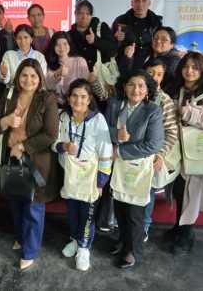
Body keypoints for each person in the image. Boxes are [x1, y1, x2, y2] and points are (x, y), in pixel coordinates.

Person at [0, 59, 60, 270]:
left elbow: (51, 134)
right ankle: (21, 238)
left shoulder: (47, 98)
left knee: (33, 207)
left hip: (35, 161)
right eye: (24, 75)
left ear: (40, 78)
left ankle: (30, 250)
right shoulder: (9, 94)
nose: (28, 80)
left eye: (33, 76)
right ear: (18, 76)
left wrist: (22, 146)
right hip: (11, 158)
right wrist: (6, 121)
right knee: (15, 203)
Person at [164, 51, 203, 256]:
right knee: (177, 189)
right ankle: (178, 227)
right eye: (185, 66)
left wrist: (191, 114)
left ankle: (187, 235)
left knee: (190, 193)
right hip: (176, 150)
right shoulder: (175, 89)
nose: (189, 71)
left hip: (198, 152)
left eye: (194, 67)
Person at [105, 69, 163, 268]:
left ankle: (133, 251)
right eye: (131, 84)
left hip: (137, 167)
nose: (135, 89)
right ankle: (123, 240)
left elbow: (153, 144)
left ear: (147, 90)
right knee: (120, 206)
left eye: (141, 85)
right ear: (124, 86)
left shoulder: (152, 110)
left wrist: (120, 151)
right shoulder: (115, 104)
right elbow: (103, 129)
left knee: (135, 212)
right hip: (116, 166)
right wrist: (116, 135)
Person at [53, 79, 112, 271]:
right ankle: (74, 239)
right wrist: (63, 146)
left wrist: (101, 182)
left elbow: (106, 153)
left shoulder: (98, 120)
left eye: (83, 97)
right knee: (72, 212)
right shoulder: (62, 117)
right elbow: (53, 142)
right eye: (74, 96)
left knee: (87, 215)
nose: (78, 100)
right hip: (70, 175)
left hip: (90, 177)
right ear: (68, 98)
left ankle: (84, 247)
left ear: (89, 99)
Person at [142, 59, 179, 241]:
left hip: (151, 155)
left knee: (147, 191)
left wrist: (161, 154)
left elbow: (171, 132)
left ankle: (144, 227)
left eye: (159, 74)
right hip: (131, 153)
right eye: (151, 73)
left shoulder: (164, 100)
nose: (154, 77)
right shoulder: (134, 92)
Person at [111, 0, 163, 71]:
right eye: (137, 1)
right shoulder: (120, 21)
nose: (140, 4)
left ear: (149, 3)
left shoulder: (158, 22)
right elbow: (110, 48)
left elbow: (165, 45)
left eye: (144, 1)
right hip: (125, 66)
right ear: (132, 3)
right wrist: (115, 39)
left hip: (150, 68)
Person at [68, 0, 118, 72]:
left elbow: (113, 51)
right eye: (80, 13)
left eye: (88, 14)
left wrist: (96, 41)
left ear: (91, 16)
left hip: (101, 75)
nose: (84, 17)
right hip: (79, 76)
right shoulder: (69, 35)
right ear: (75, 14)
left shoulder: (101, 27)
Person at [45, 31, 90, 104]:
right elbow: (49, 87)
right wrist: (57, 74)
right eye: (57, 44)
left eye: (65, 44)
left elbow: (86, 86)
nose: (61, 47)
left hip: (78, 102)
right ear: (53, 47)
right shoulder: (50, 63)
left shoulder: (80, 61)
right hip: (58, 104)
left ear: (70, 45)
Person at [0, 24, 48, 89]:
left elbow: (42, 81)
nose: (22, 41)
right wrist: (4, 74)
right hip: (14, 93)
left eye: (26, 37)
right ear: (15, 39)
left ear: (31, 39)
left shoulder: (40, 57)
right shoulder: (9, 55)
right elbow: (5, 81)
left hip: (34, 93)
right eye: (19, 38)